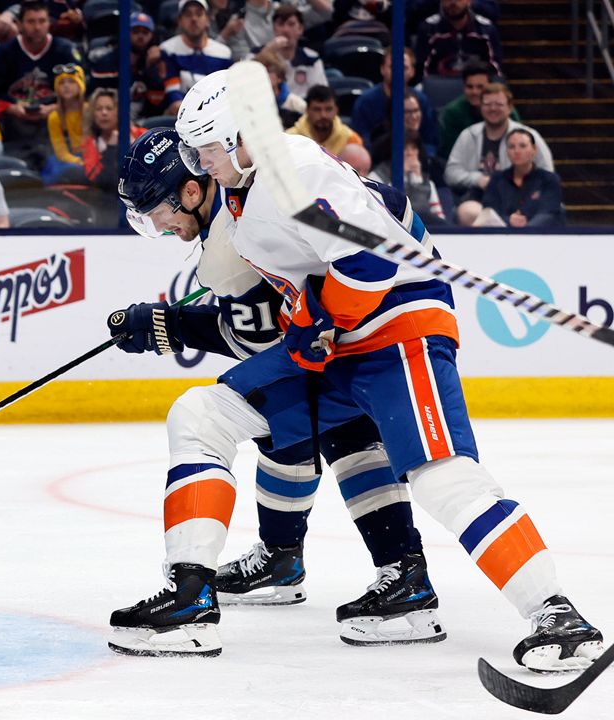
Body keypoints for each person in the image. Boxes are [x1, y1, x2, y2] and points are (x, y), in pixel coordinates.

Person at [165, 67, 603, 672]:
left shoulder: (293, 169)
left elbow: (370, 262)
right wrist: (309, 319)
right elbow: (358, 234)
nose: (198, 161)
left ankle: (557, 613)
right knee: (223, 417)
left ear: (239, 136)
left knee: (443, 479)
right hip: (349, 343)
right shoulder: (251, 190)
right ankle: (399, 589)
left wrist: (321, 316)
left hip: (397, 329)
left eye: (206, 147)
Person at [110, 127, 443, 645]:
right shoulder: (252, 188)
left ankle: (278, 564)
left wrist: (171, 327)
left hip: (365, 327)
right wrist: (173, 324)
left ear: (191, 189)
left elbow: (260, 342)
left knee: (289, 416)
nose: (158, 222)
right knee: (321, 427)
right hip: (376, 315)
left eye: (158, 208)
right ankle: (372, 569)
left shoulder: (229, 242)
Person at [0, 0, 81, 169]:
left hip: (54, 123)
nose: (37, 27)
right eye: (31, 21)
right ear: (19, 24)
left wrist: (55, 108)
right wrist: (11, 107)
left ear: (49, 23)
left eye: (42, 21)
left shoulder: (65, 51)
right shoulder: (4, 53)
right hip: (15, 126)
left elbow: (81, 93)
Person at [446, 83, 554, 225]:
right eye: (487, 104)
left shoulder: (528, 136)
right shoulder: (469, 135)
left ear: (510, 107)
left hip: (521, 198)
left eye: (499, 104)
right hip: (481, 200)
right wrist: (478, 179)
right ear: (481, 107)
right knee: (467, 212)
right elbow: (451, 173)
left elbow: (547, 174)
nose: (493, 109)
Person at [349, 47, 438, 152]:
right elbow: (361, 141)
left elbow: (431, 141)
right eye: (392, 67)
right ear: (382, 69)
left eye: (404, 68)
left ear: (412, 72)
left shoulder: (422, 100)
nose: (398, 72)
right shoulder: (365, 102)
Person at [477, 128, 564, 228]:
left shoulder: (549, 179)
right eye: (511, 147)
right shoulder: (497, 179)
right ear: (507, 152)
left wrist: (525, 228)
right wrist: (509, 220)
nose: (517, 151)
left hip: (541, 236)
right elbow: (489, 210)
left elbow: (549, 211)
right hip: (503, 235)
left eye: (523, 146)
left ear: (534, 149)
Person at [160, 0, 232, 116]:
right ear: (179, 20)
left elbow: (225, 93)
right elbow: (173, 94)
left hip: (215, 116)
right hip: (180, 116)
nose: (194, 19)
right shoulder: (168, 49)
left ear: (208, 19)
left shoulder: (223, 53)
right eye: (188, 15)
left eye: (199, 14)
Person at [438, 62, 519, 159]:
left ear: (490, 86)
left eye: (480, 87)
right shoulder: (453, 112)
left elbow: (518, 140)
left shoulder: (505, 110)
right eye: (470, 87)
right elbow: (451, 152)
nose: (474, 92)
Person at [370, 134, 448, 226]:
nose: (410, 153)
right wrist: (402, 175)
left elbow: (440, 218)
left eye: (413, 148)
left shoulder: (427, 182)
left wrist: (418, 181)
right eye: (405, 148)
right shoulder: (378, 175)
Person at [415, 0, 503, 79]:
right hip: (439, 84)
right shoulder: (428, 27)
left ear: (469, 1)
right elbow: (421, 67)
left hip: (477, 85)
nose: (453, 2)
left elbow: (495, 67)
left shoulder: (486, 29)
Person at [81, 88, 145, 193]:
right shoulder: (89, 144)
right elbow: (97, 182)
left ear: (119, 112)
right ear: (93, 114)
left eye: (109, 108)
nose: (104, 113)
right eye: (99, 109)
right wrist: (111, 148)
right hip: (109, 202)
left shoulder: (140, 135)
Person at [261, 5, 325, 100]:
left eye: (291, 24)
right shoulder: (257, 54)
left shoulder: (312, 59)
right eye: (280, 24)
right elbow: (244, 80)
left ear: (300, 29)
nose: (285, 30)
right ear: (274, 29)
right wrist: (267, 52)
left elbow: (320, 94)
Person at [287, 84, 363, 156]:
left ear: (336, 110)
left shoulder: (351, 140)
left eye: (328, 109)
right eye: (317, 109)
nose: (323, 115)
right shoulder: (289, 138)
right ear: (307, 110)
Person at [43, 63, 86, 184]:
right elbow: (61, 152)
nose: (66, 86)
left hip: (90, 157)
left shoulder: (90, 112)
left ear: (80, 85)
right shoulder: (54, 117)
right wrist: (79, 162)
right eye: (62, 83)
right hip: (66, 160)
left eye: (71, 82)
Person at [253, 48, 305, 129]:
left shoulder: (295, 103)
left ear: (280, 77)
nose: (263, 75)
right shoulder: (250, 104)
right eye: (260, 71)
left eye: (268, 71)